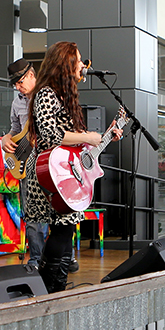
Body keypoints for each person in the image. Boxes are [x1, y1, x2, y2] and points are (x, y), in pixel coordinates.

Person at [23, 42, 121, 292]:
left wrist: (106, 135)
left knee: (65, 231)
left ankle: (56, 288)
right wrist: (88, 137)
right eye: (77, 60)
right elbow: (49, 133)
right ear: (64, 64)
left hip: (64, 171)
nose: (83, 65)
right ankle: (48, 289)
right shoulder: (45, 93)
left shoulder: (63, 95)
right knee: (62, 231)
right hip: (50, 172)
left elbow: (74, 143)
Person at [2, 58, 62, 271]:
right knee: (33, 213)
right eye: (15, 84)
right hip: (27, 164)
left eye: (20, 82)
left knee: (59, 211)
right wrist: (5, 139)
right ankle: (36, 260)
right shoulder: (17, 101)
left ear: (31, 75)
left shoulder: (50, 96)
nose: (18, 87)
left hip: (52, 164)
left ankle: (63, 257)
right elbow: (15, 129)